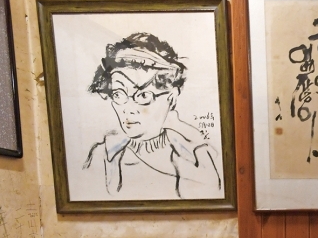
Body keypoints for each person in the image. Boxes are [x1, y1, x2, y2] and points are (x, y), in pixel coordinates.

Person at [84, 32, 223, 199]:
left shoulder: (196, 157)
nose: (128, 109)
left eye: (143, 95)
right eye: (119, 94)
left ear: (171, 97)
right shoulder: (102, 154)